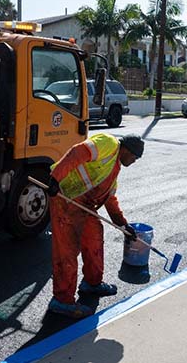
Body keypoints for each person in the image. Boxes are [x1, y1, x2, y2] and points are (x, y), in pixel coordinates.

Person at [46, 132, 144, 318]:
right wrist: (55, 178)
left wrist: (123, 225)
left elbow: (110, 199)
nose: (134, 161)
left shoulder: (114, 168)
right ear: (127, 150)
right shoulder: (109, 143)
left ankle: (92, 283)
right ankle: (62, 300)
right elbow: (78, 152)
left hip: (84, 205)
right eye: (135, 157)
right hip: (65, 197)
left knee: (94, 237)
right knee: (67, 250)